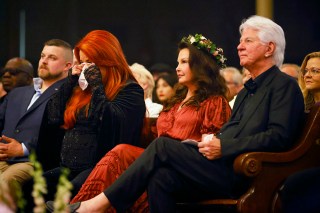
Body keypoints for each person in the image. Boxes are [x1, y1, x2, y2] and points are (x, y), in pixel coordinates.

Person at [48, 15, 305, 213]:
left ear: (269, 48)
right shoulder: (250, 89)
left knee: (162, 146)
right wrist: (208, 143)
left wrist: (223, 145)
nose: (239, 47)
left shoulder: (284, 85)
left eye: (248, 41)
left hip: (244, 171)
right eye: (240, 41)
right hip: (222, 162)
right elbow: (231, 130)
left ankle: (97, 205)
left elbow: (278, 137)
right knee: (161, 177)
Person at [48, 33, 231, 213]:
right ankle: (82, 205)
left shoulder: (214, 102)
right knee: (120, 152)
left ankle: (84, 206)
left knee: (132, 156)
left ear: (201, 65)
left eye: (183, 62)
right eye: (177, 62)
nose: (177, 68)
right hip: (160, 161)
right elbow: (53, 117)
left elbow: (210, 148)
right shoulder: (175, 102)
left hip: (186, 168)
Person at [41, 30, 146, 200]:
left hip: (102, 168)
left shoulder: (130, 90)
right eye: (82, 63)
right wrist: (69, 83)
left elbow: (111, 125)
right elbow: (53, 118)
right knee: (32, 187)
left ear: (108, 60)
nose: (85, 68)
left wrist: (97, 86)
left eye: (90, 63)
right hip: (67, 167)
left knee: (66, 193)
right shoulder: (82, 89)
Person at [0, 39, 73, 207]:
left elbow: (60, 134)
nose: (44, 61)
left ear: (67, 66)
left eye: (52, 58)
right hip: (4, 157)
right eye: (42, 56)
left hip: (34, 161)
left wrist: (23, 148)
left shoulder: (68, 95)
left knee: (6, 181)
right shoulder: (18, 93)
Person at [280, 51, 320, 213]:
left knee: (295, 182)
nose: (308, 75)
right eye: (305, 71)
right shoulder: (300, 104)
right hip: (301, 158)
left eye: (315, 71)